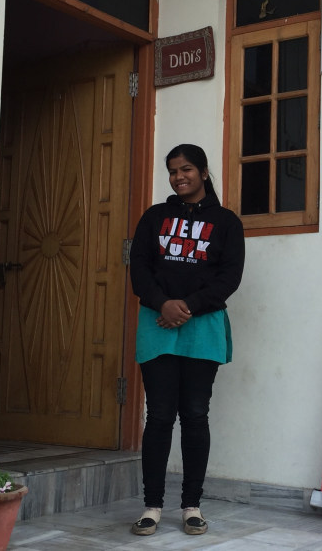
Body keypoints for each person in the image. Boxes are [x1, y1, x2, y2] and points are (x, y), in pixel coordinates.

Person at [129, 144, 245, 537]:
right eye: (173, 171)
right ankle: (152, 506)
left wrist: (187, 307)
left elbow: (229, 277)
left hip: (202, 326)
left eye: (187, 169)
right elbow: (140, 269)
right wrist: (164, 304)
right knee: (160, 416)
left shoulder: (226, 222)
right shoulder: (154, 217)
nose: (180, 177)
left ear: (204, 172)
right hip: (156, 323)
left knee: (195, 415)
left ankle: (192, 506)